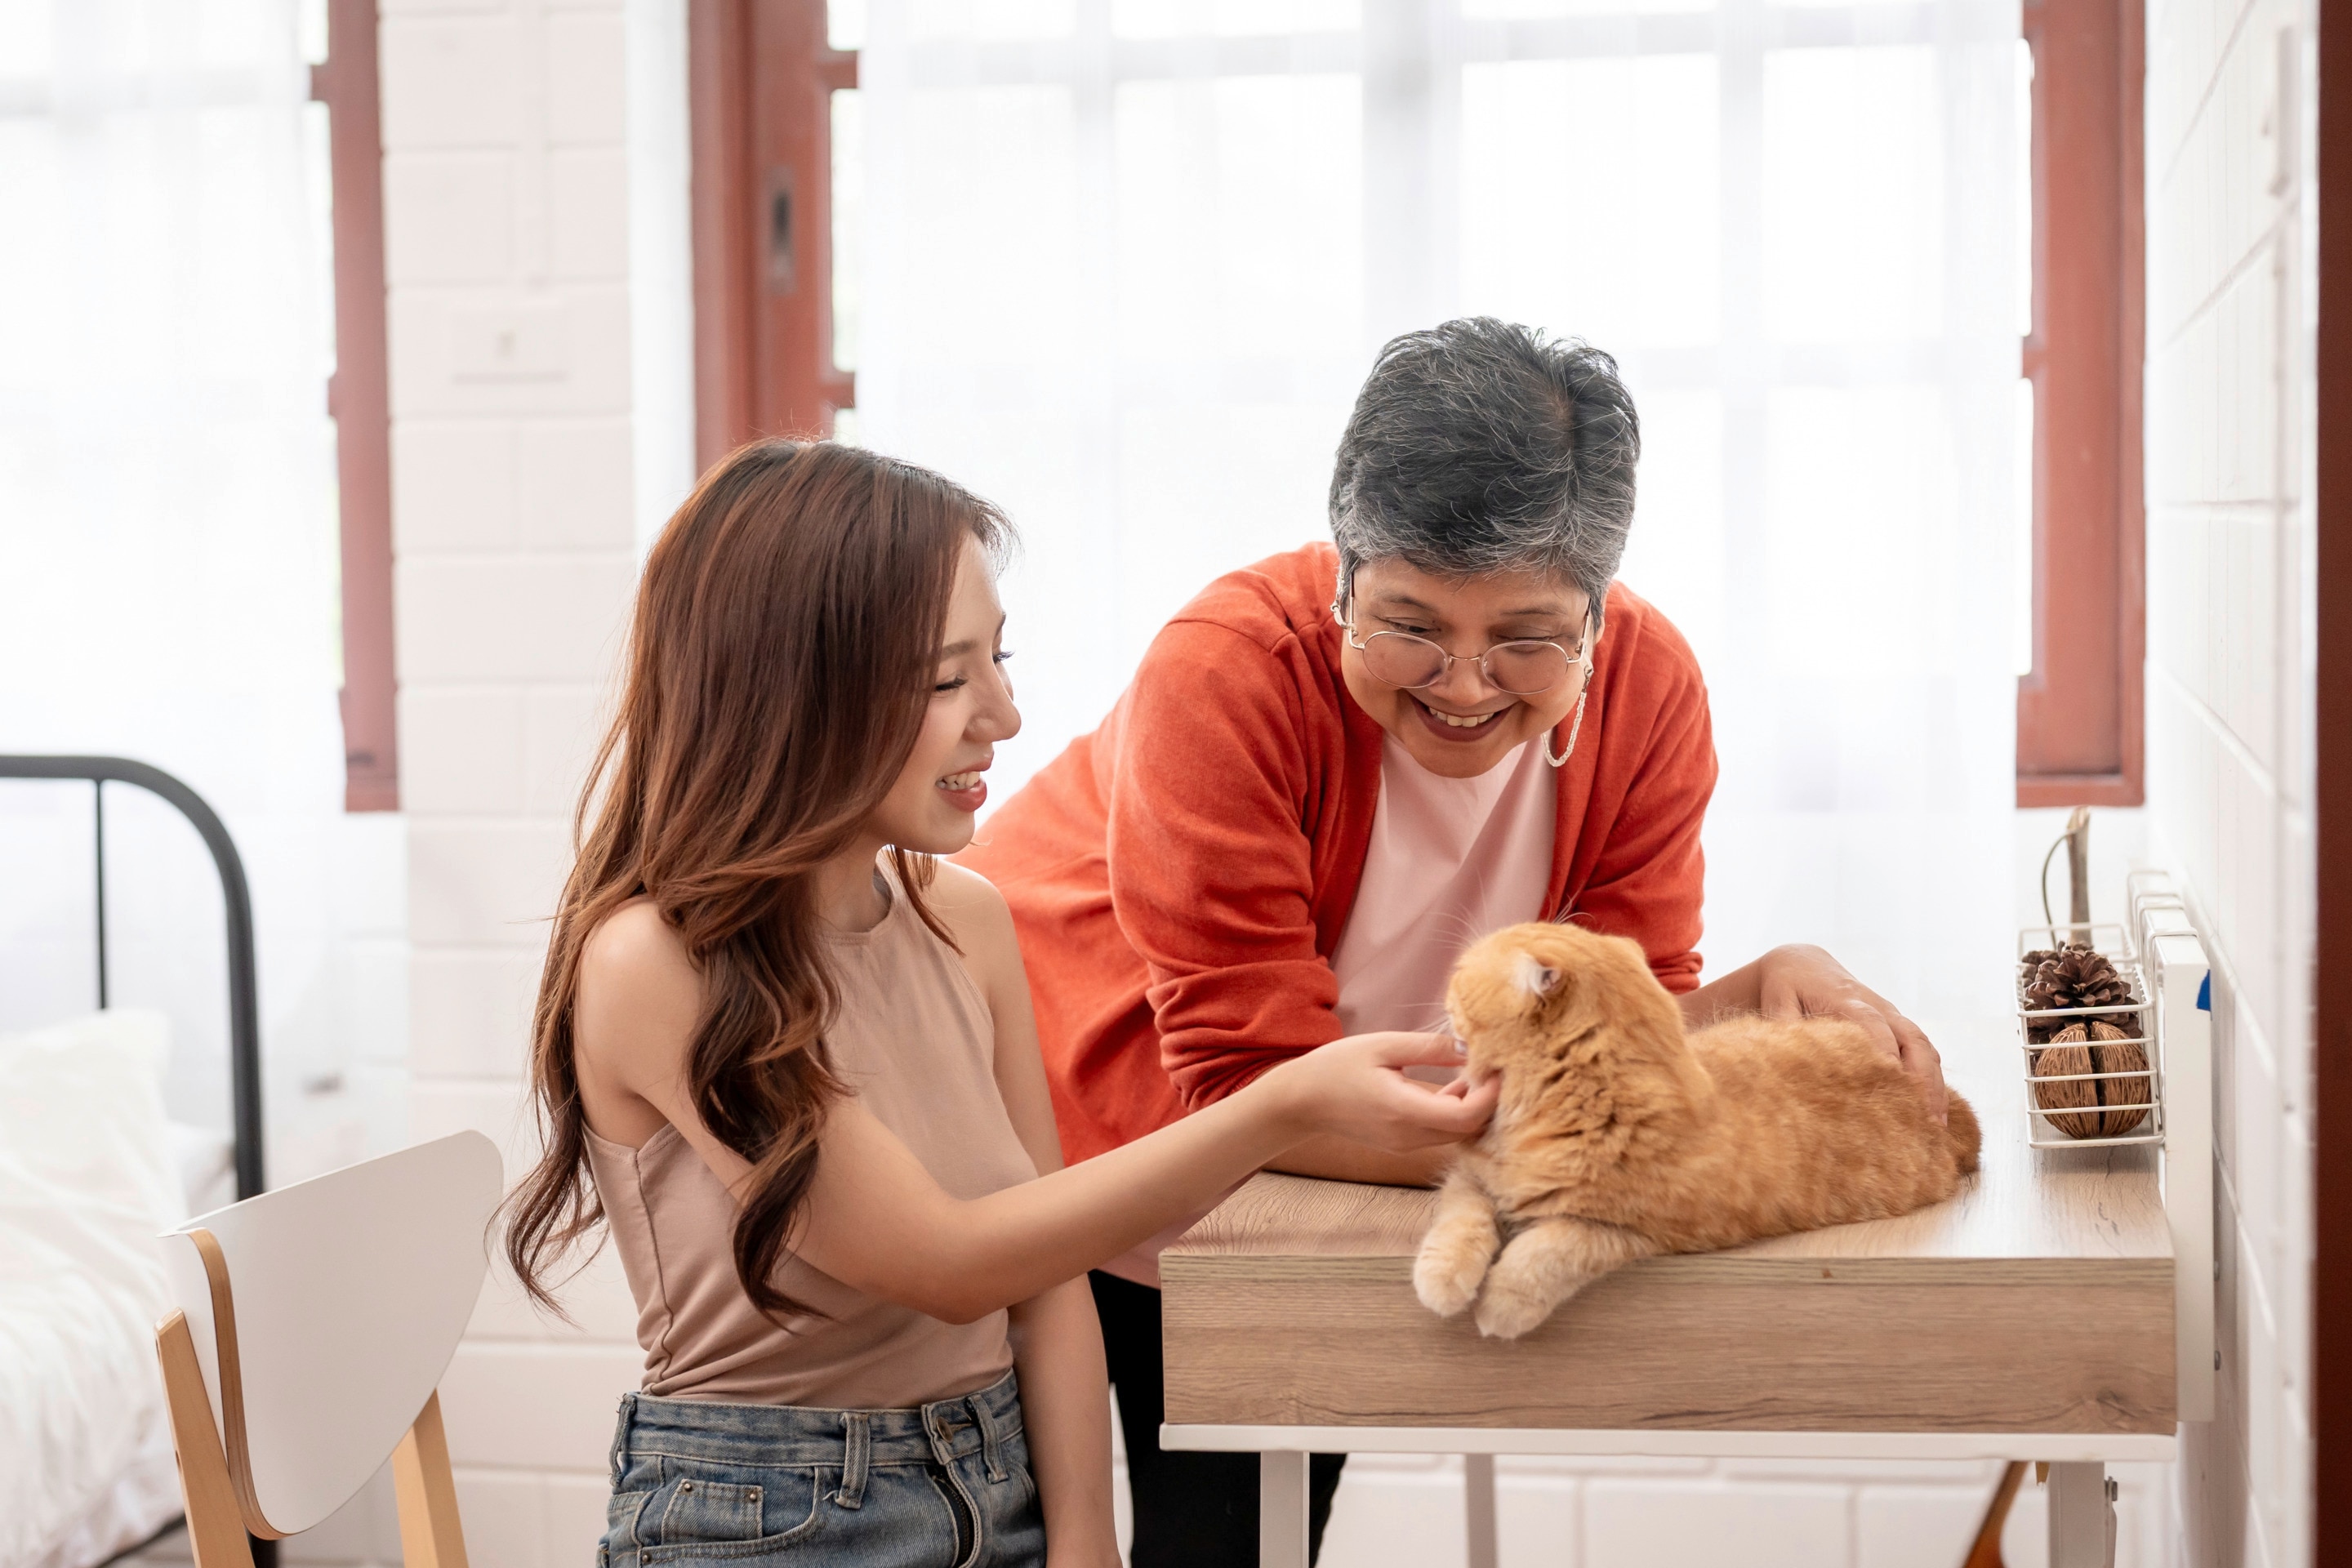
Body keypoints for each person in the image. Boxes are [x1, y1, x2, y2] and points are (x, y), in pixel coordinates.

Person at [958, 318, 1950, 1567]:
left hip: (1322, 1153)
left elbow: (1596, 1044)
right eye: (1409, 625)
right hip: (1092, 1128)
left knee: (1237, 1544)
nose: (1467, 685)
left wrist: (1756, 992)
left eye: (1529, 636)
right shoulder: (1230, 670)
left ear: (1600, 609)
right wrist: (1596, 1141)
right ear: (1341, 581)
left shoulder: (1650, 692)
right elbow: (1246, 1084)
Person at [502, 440, 1499, 1568]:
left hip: (998, 1481)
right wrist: (1276, 1111)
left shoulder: (961, 916)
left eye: (998, 661)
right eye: (944, 679)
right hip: (771, 1515)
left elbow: (1044, 1277)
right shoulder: (657, 962)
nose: (1004, 716)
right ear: (789, 691)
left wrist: (1084, 1539)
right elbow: (949, 1261)